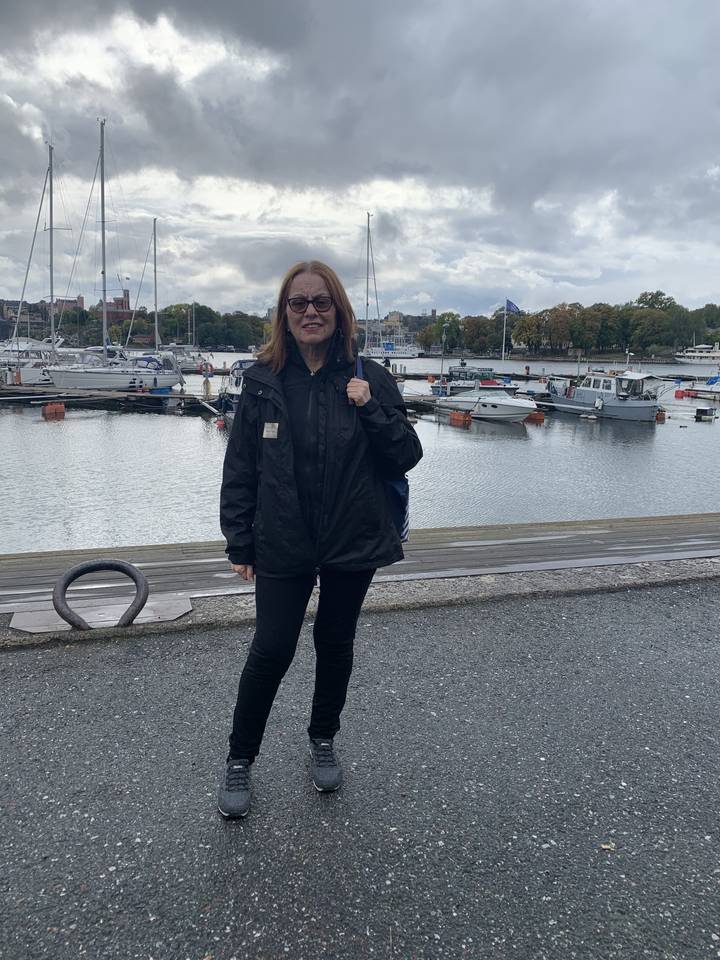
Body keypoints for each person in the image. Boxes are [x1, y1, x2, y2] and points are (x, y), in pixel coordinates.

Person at [217, 260, 423, 818]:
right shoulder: (262, 380)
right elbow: (241, 468)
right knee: (271, 649)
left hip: (351, 537)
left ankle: (323, 738)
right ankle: (240, 757)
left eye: (321, 302)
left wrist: (369, 406)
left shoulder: (369, 376)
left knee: (334, 643)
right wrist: (239, 541)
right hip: (282, 537)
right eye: (298, 303)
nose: (310, 311)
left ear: (339, 310)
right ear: (284, 313)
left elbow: (406, 455)